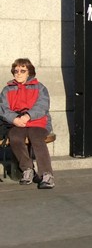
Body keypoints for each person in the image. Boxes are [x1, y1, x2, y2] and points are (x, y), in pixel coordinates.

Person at [0, 58, 55, 188]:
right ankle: (27, 169)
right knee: (14, 137)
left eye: (22, 70)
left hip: (37, 122)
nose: (18, 73)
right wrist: (14, 119)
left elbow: (42, 106)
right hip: (17, 123)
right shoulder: (7, 90)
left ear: (29, 72)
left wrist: (27, 116)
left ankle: (47, 174)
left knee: (36, 138)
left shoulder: (40, 88)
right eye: (16, 70)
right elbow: (3, 108)